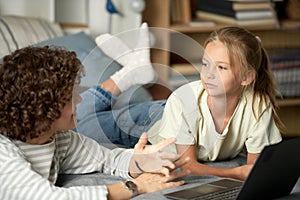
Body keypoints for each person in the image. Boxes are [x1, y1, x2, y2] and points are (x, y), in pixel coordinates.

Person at [77, 25, 285, 181]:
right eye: (206, 64)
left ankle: (135, 70)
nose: (209, 74)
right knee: (78, 124)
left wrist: (244, 172)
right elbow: (188, 165)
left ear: (247, 78)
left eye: (221, 68)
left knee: (77, 124)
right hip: (154, 119)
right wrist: (235, 172)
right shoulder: (183, 101)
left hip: (173, 116)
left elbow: (255, 169)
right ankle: (129, 73)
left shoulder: (258, 107)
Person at [0, 45, 191, 200]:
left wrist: (140, 162)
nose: (80, 100)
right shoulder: (4, 153)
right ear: (44, 108)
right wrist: (135, 187)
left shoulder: (60, 140)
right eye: (70, 96)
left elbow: (109, 160)